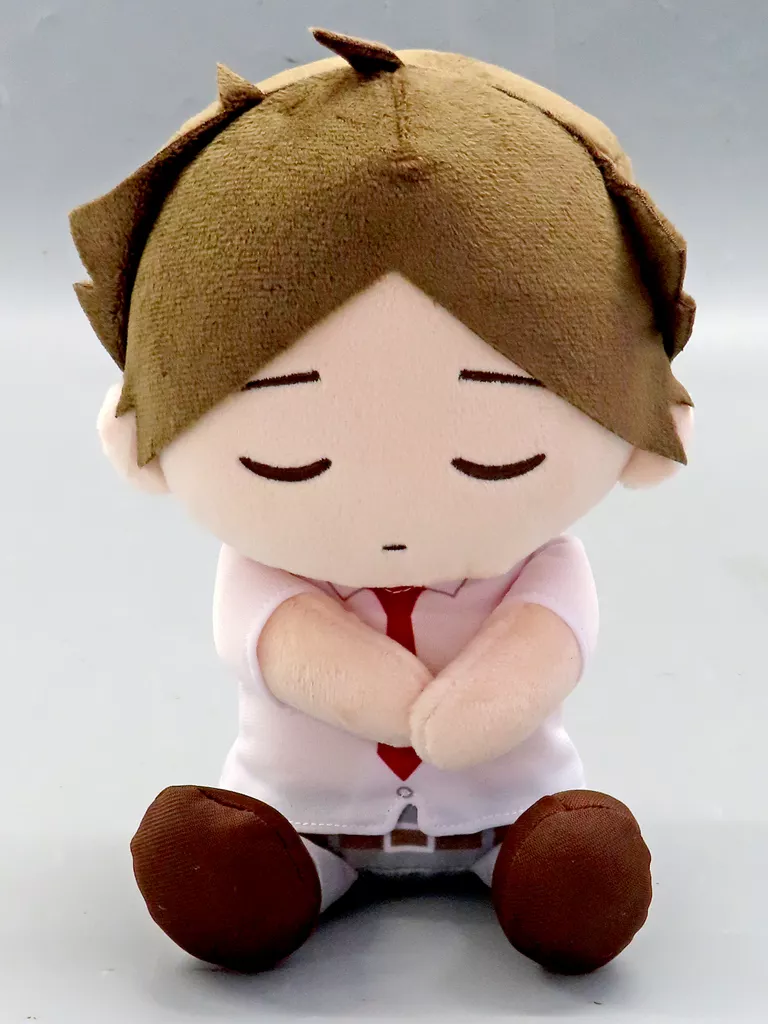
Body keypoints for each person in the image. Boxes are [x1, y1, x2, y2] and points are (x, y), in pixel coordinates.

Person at [71, 27, 695, 976]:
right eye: (291, 459)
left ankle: (541, 866)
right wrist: (396, 700)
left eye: (494, 456)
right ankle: (276, 873)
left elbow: (546, 645)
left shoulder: (546, 567)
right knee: (230, 872)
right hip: (309, 818)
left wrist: (473, 711)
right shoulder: (260, 575)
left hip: (505, 813)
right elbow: (281, 645)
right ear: (140, 436)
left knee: (574, 867)